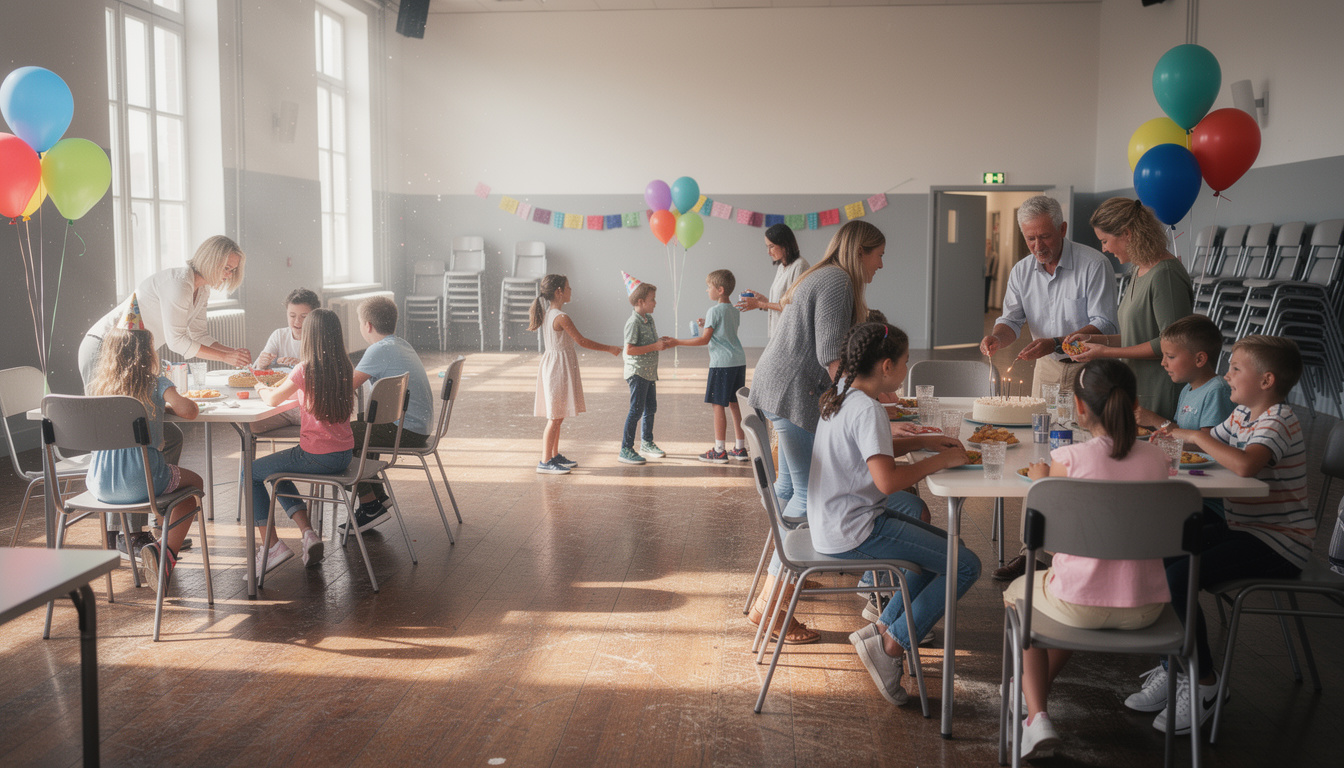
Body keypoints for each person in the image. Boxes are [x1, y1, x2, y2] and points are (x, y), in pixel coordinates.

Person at [1124, 335, 1309, 737]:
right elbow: (1205, 445)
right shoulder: (1242, 415)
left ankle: (1205, 682)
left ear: (1266, 380)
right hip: (1244, 528)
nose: (1226, 377)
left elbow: (1244, 466)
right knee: (1160, 556)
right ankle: (1171, 666)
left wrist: (1197, 436)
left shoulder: (1277, 419)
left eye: (1236, 369)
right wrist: (1164, 432)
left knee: (1178, 577)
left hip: (1279, 542)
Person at [804, 321, 978, 706]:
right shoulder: (868, 410)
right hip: (854, 530)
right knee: (965, 565)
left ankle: (882, 629)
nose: (906, 367)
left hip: (837, 521)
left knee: (952, 549)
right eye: (904, 361)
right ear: (886, 367)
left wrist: (924, 441)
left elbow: (871, 456)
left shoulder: (844, 395)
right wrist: (940, 461)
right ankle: (891, 647)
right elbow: (886, 482)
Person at [1009, 359, 1172, 758]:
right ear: (1135, 403)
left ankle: (1036, 715)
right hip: (1147, 609)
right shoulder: (1157, 459)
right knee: (1074, 601)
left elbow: (1043, 536)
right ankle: (1029, 694)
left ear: (1079, 408)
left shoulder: (1071, 459)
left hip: (1081, 605)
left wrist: (1041, 480)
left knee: (1021, 600)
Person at [747, 219, 889, 644]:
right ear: (861, 251)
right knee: (810, 496)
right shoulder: (837, 282)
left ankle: (787, 572)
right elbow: (831, 355)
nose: (881, 264)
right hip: (794, 392)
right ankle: (772, 609)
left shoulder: (824, 275)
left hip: (780, 387)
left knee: (793, 491)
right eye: (879, 254)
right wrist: (865, 401)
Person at [79, 235, 250, 550]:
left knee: (168, 437)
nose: (227, 275)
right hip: (107, 347)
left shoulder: (202, 290)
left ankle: (155, 522)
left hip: (132, 354)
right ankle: (128, 534)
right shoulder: (178, 283)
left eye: (231, 270)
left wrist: (231, 352)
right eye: (225, 267)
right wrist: (226, 357)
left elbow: (198, 334)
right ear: (210, 259)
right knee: (120, 434)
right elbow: (178, 343)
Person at [85, 325, 204, 588]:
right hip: (141, 481)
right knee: (195, 487)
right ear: (147, 353)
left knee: (169, 460)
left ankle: (159, 538)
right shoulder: (156, 383)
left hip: (100, 485)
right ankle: (165, 551)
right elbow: (189, 411)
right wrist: (173, 402)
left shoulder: (99, 388)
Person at [1066, 197, 1195, 421]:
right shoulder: (1138, 270)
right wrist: (1096, 341)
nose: (1104, 249)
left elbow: (1173, 343)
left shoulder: (1165, 274)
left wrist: (1107, 353)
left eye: (1105, 240)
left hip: (1161, 388)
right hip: (1137, 385)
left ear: (1127, 233)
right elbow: (1140, 335)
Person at [980, 195, 1118, 400]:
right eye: (1030, 238)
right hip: (1046, 368)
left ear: (1062, 229)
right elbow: (1011, 320)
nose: (1038, 246)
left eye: (1044, 236)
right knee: (1040, 429)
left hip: (1090, 367)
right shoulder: (1021, 271)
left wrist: (1055, 343)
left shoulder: (1094, 265)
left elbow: (1105, 324)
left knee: (1087, 430)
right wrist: (997, 338)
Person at [250, 308, 355, 575]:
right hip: (344, 454)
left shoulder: (304, 369)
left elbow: (273, 399)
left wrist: (260, 387)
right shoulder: (345, 367)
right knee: (275, 470)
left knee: (248, 473)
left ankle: (272, 546)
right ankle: (307, 534)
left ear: (309, 337)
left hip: (316, 456)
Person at [341, 295, 436, 532]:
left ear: (368, 325)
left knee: (342, 435)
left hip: (406, 431)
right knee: (363, 424)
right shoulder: (400, 344)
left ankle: (370, 505)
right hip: (419, 428)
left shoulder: (378, 350)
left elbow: (345, 387)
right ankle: (377, 494)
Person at [529, 274, 621, 475]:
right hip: (557, 368)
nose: (571, 291)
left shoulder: (550, 314)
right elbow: (582, 341)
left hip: (557, 365)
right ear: (559, 291)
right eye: (568, 287)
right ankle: (545, 461)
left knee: (558, 415)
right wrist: (610, 348)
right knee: (554, 417)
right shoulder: (561, 317)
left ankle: (553, 455)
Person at [679, 269, 749, 463]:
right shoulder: (734, 311)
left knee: (718, 405)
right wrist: (706, 323)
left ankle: (719, 450)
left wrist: (676, 342)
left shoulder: (714, 311)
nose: (707, 290)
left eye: (709, 287)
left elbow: (704, 340)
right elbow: (724, 332)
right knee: (735, 405)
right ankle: (740, 448)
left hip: (722, 365)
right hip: (738, 361)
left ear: (719, 289)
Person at [252, 288, 321, 435]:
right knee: (251, 423)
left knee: (254, 422)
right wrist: (263, 362)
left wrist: (301, 364)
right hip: (284, 399)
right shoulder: (279, 335)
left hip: (304, 405)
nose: (297, 322)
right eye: (292, 315)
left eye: (304, 316)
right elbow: (256, 368)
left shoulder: (320, 338)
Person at [734, 223, 810, 339]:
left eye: (771, 246)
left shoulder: (799, 266)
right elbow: (782, 303)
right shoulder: (782, 267)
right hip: (778, 335)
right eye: (767, 247)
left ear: (784, 245)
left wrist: (760, 304)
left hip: (790, 336)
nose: (768, 252)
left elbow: (794, 306)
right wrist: (762, 302)